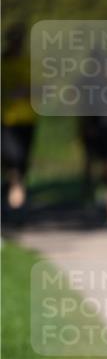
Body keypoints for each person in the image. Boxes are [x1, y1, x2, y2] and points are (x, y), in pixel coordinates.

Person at [1, 23, 36, 222]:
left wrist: (27, 91)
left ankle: (15, 199)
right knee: (13, 159)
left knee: (21, 162)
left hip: (27, 119)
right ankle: (16, 202)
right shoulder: (3, 65)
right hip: (6, 120)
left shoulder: (27, 63)